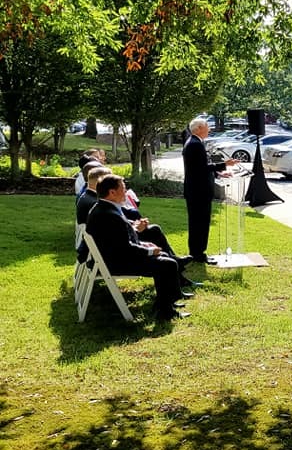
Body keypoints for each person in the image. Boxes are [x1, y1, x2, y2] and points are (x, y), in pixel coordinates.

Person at [85, 174, 188, 321]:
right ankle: (165, 311)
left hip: (113, 257)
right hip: (116, 263)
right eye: (123, 189)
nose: (126, 193)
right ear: (112, 192)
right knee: (168, 264)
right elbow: (125, 248)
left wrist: (144, 244)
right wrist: (150, 251)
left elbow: (119, 241)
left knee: (165, 257)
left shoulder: (103, 207)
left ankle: (163, 304)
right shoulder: (109, 214)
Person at [182, 118, 238, 263]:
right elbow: (201, 168)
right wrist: (224, 164)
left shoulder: (195, 142)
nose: (209, 129)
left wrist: (219, 173)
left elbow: (201, 166)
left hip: (197, 191)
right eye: (207, 127)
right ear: (199, 128)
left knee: (198, 222)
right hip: (198, 192)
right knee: (199, 223)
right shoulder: (194, 144)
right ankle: (198, 253)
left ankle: (197, 252)